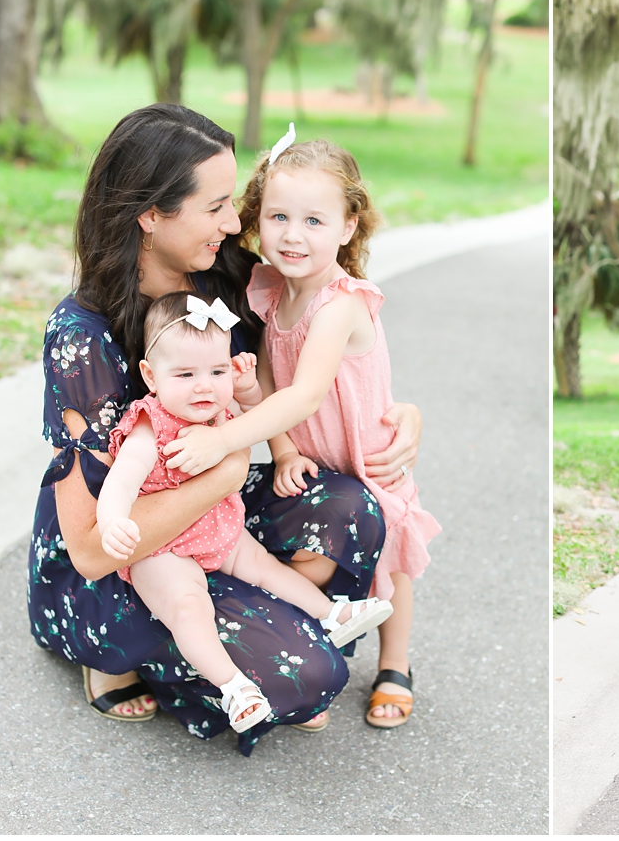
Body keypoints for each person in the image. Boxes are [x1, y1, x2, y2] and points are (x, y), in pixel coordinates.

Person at [31, 104, 422, 755]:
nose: (235, 222)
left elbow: (319, 362)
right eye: (215, 206)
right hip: (119, 559)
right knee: (310, 676)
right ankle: (122, 654)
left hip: (213, 526)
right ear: (152, 215)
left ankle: (246, 617)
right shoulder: (82, 336)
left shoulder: (226, 281)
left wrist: (406, 414)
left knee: (349, 509)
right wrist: (227, 471)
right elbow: (94, 549)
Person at [162, 134, 442, 729]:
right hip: (313, 457)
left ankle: (395, 662)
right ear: (256, 218)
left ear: (348, 225)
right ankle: (307, 652)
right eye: (278, 216)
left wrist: (222, 440)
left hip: (365, 456)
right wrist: (282, 449)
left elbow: (307, 392)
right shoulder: (273, 288)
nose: (293, 234)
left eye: (314, 220)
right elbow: (267, 375)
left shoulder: (340, 303)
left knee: (390, 562)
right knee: (312, 558)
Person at [97, 291, 394, 732]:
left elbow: (260, 412)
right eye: (186, 373)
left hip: (216, 524)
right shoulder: (151, 425)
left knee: (266, 567)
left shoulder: (216, 405)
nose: (204, 385)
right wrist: (112, 521)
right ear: (151, 376)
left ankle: (331, 615)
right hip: (164, 548)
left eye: (216, 370)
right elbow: (120, 480)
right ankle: (234, 686)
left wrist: (248, 387)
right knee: (188, 605)